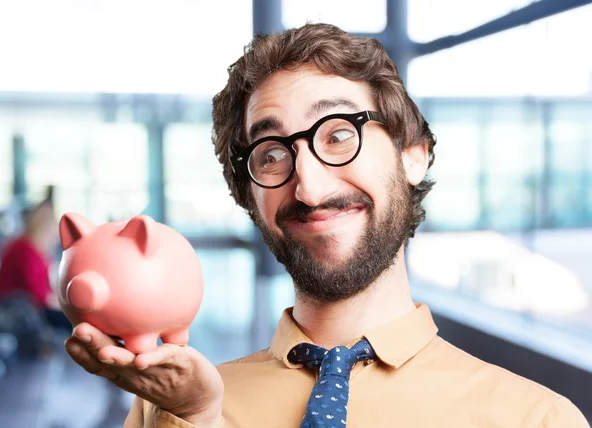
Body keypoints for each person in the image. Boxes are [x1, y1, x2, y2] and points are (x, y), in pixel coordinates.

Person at [64, 23, 589, 427]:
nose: (309, 188)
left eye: (339, 135)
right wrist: (196, 418)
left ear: (413, 155)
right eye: (271, 154)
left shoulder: (537, 419)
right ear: (249, 196)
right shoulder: (173, 410)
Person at [0, 187, 71, 334]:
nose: (55, 238)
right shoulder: (25, 250)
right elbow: (36, 292)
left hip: (27, 308)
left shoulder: (30, 249)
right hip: (15, 310)